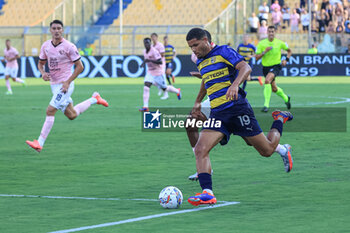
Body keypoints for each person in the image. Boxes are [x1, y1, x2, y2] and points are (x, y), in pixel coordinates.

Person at [185, 28, 293, 206]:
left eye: (195, 45)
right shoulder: (201, 61)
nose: (193, 50)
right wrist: (197, 102)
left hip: (237, 109)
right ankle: (207, 193)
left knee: (266, 150)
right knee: (200, 149)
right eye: (190, 47)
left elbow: (246, 67)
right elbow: (206, 80)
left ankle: (279, 119)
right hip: (219, 113)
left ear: (205, 40)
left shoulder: (223, 51)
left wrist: (235, 85)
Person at [26, 20, 109, 153]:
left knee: (50, 111)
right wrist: (42, 73)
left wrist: (68, 81)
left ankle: (39, 142)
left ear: (62, 30)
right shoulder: (46, 46)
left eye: (59, 28)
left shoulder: (69, 47)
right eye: (54, 28)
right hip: (54, 85)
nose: (57, 30)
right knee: (72, 114)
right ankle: (95, 99)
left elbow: (80, 66)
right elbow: (41, 63)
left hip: (65, 85)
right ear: (50, 30)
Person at [139, 38, 181, 112]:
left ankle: (177, 91)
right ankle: (145, 107)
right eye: (145, 43)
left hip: (158, 73)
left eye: (148, 43)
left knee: (164, 88)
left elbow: (160, 61)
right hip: (150, 72)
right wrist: (143, 63)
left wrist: (149, 60)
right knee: (146, 87)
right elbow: (146, 60)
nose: (146, 44)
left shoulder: (154, 51)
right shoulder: (144, 51)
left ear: (150, 43)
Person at [255, 26, 292, 113]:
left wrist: (286, 60)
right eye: (269, 31)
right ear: (267, 32)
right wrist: (264, 52)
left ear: (275, 33)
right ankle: (286, 98)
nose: (271, 33)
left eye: (273, 31)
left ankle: (266, 105)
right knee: (274, 88)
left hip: (276, 66)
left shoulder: (279, 43)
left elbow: (289, 51)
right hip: (265, 68)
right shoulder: (262, 44)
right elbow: (256, 58)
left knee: (267, 80)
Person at [151, 33, 169, 99]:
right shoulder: (152, 46)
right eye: (152, 37)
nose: (153, 38)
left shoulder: (160, 45)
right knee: (153, 80)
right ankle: (160, 88)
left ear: (157, 37)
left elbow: (163, 54)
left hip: (161, 65)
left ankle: (166, 93)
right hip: (155, 65)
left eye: (154, 37)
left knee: (163, 79)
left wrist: (155, 58)